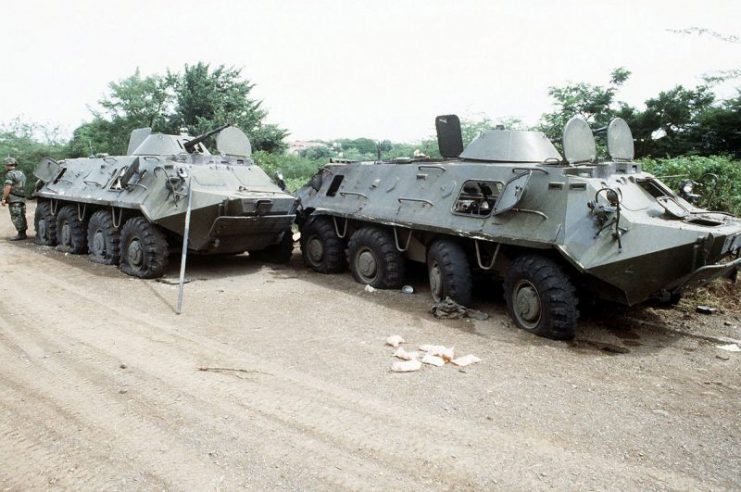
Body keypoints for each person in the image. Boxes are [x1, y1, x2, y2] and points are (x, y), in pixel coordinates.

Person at [2, 156, 28, 240]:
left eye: (5, 164)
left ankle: (21, 234)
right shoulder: (21, 173)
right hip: (22, 198)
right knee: (21, 215)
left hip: (14, 199)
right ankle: (23, 233)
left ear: (8, 165)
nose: (4, 166)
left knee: (16, 216)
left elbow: (8, 187)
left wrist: (3, 198)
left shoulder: (10, 174)